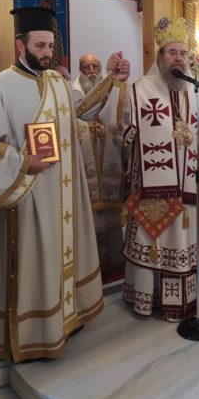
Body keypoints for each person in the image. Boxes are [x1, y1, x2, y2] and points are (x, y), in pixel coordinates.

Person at [0, 7, 103, 363]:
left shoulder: (58, 83)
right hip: (30, 196)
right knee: (37, 264)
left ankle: (68, 318)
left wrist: (112, 80)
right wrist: (23, 162)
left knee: (64, 257)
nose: (47, 53)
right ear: (20, 45)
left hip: (66, 197)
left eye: (50, 46)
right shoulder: (0, 86)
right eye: (40, 45)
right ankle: (39, 332)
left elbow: (84, 109)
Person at [120, 16, 199, 321]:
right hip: (152, 189)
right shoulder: (140, 89)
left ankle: (179, 302)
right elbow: (125, 133)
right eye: (172, 52)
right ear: (160, 56)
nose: (179, 58)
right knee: (152, 241)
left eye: (183, 53)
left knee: (181, 242)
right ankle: (146, 298)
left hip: (188, 187)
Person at [72, 52, 130, 275]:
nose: (91, 71)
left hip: (109, 160)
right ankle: (90, 265)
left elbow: (118, 120)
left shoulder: (110, 92)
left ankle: (114, 259)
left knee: (111, 215)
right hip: (85, 169)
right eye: (86, 67)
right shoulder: (73, 93)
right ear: (80, 70)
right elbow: (77, 117)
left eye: (95, 66)